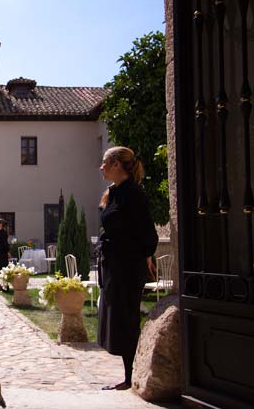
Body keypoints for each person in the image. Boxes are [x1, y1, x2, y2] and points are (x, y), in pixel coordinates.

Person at [97, 146, 158, 391]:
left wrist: (145, 258)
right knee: (118, 319)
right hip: (114, 266)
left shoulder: (134, 194)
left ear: (117, 165)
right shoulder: (113, 193)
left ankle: (130, 377)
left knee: (127, 319)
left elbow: (147, 234)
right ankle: (127, 376)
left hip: (127, 267)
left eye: (104, 162)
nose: (101, 167)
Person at [0, 219, 10, 291]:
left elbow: (5, 244)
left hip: (2, 255)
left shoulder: (3, 233)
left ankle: (4, 287)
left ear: (0, 224)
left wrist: (7, 252)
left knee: (2, 270)